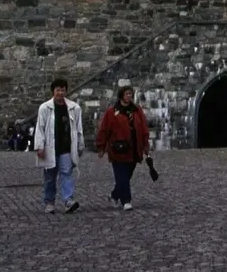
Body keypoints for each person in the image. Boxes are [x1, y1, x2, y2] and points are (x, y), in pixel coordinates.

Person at [95, 86, 151, 211]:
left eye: (131, 93)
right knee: (121, 175)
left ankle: (114, 195)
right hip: (118, 149)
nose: (129, 96)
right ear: (121, 95)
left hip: (134, 148)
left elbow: (143, 128)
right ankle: (126, 201)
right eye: (127, 93)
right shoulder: (112, 111)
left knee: (127, 175)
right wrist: (101, 146)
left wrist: (145, 145)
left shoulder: (137, 110)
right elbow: (104, 130)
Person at [33, 78, 83, 214]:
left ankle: (68, 200)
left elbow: (78, 128)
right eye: (58, 90)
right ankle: (49, 202)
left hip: (66, 147)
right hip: (50, 146)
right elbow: (40, 128)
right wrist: (39, 146)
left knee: (66, 173)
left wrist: (80, 145)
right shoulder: (45, 108)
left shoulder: (74, 108)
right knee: (50, 177)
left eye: (63, 90)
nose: (60, 93)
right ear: (53, 91)